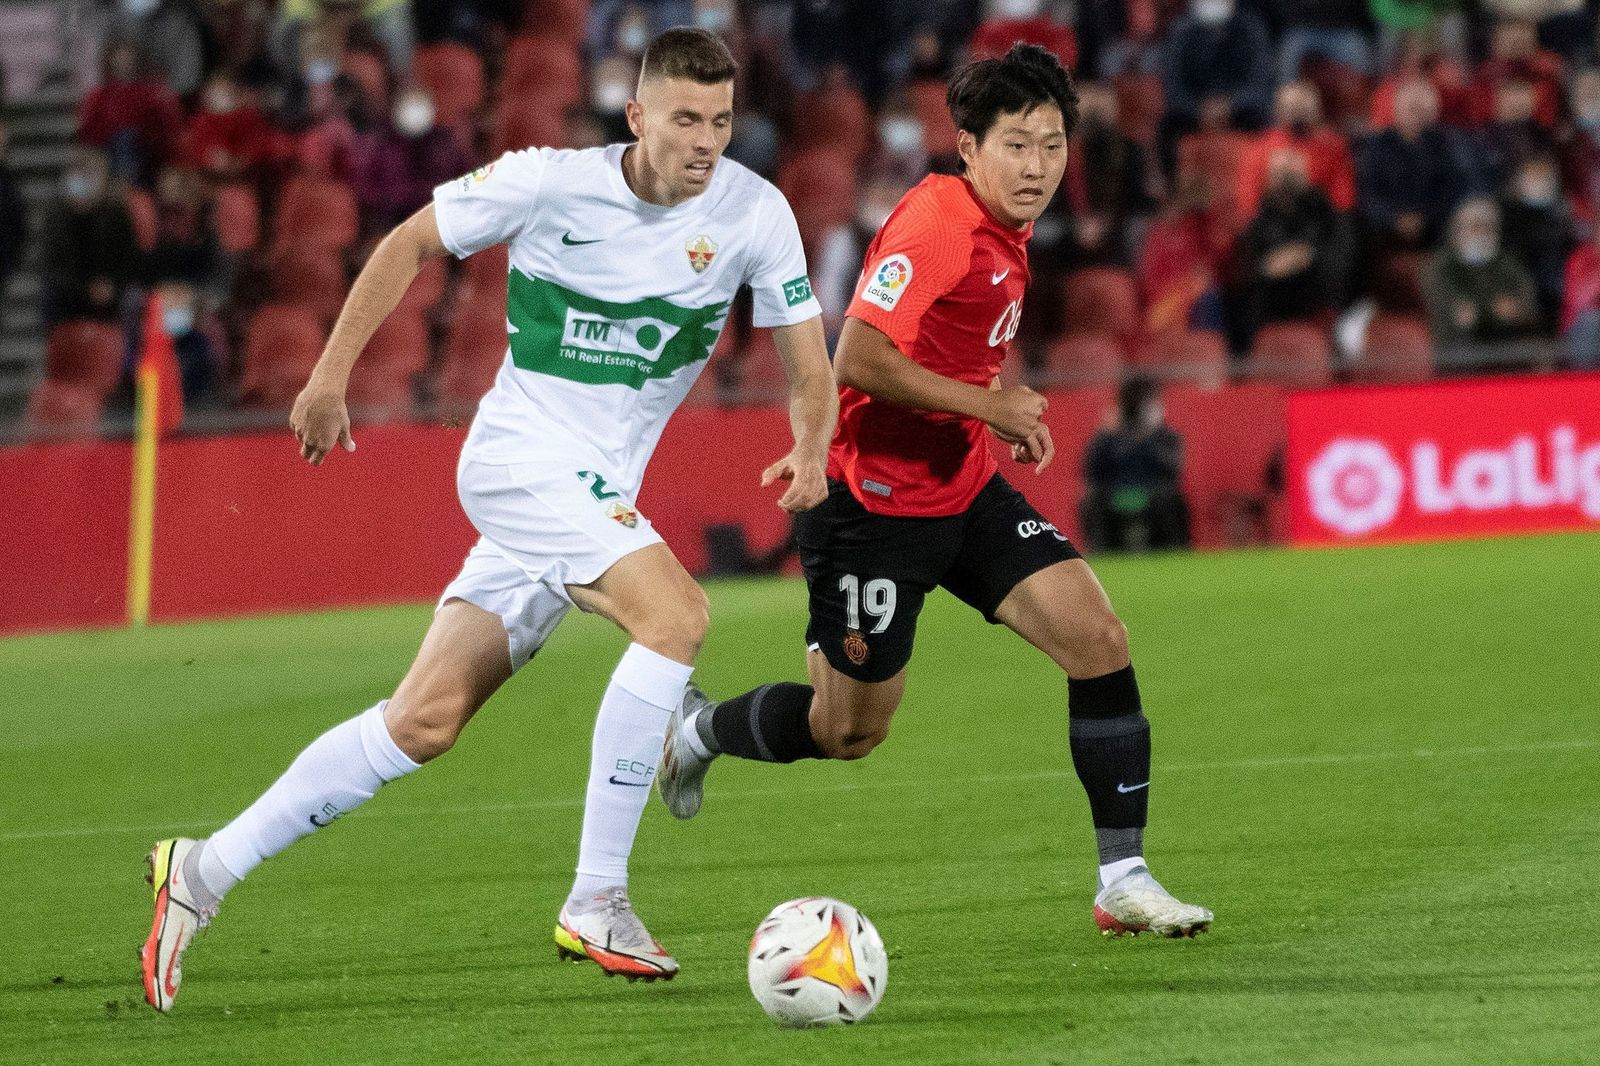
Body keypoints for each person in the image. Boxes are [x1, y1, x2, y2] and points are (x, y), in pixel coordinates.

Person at [138, 28, 837, 1011]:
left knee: (421, 722)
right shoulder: (548, 181)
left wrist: (812, 446)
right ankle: (597, 896)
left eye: (719, 121)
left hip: (585, 497)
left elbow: (810, 365)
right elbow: (407, 241)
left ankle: (200, 871)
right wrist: (330, 375)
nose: (704, 141)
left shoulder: (755, 213)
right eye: (684, 118)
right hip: (520, 462)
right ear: (636, 116)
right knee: (675, 618)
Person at [659, 44, 1213, 940]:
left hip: (962, 488)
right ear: (968, 145)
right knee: (848, 731)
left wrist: (983, 419)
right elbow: (859, 358)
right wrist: (989, 403)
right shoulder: (941, 224)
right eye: (1017, 146)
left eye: (1052, 144)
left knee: (1099, 639)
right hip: (871, 508)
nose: (1037, 166)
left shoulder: (1007, 226)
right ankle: (699, 732)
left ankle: (1124, 878)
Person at [1238, 147, 1353, 336]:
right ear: (1269, 178)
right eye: (1280, 173)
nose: (1286, 181)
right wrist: (1299, 257)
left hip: (1317, 304)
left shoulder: (1327, 214)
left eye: (1292, 173)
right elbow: (1254, 271)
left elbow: (1338, 263)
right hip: (1271, 312)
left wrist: (1297, 259)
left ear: (1306, 175)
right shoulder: (1260, 220)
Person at [1080, 376, 1190, 553]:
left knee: (1173, 502)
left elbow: (1172, 469)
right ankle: (1102, 554)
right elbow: (1091, 471)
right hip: (1114, 495)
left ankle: (1174, 554)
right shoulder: (1106, 438)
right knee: (1091, 502)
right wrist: (1108, 433)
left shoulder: (1165, 436)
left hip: (1154, 495)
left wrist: (1146, 436)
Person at [39, 149, 141, 327]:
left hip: (110, 297)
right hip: (68, 299)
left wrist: (112, 286)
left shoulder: (116, 215)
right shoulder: (57, 216)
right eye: (79, 171)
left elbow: (128, 260)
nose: (84, 179)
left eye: (91, 172)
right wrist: (85, 290)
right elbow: (52, 266)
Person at [1425, 197, 1540, 352]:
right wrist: (1487, 312)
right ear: (1458, 230)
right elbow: (1444, 308)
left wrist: (1518, 310)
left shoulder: (1508, 263)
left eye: (1487, 227)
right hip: (1457, 342)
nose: (1480, 234)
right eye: (1474, 226)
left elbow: (1525, 300)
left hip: (1507, 338)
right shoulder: (1440, 266)